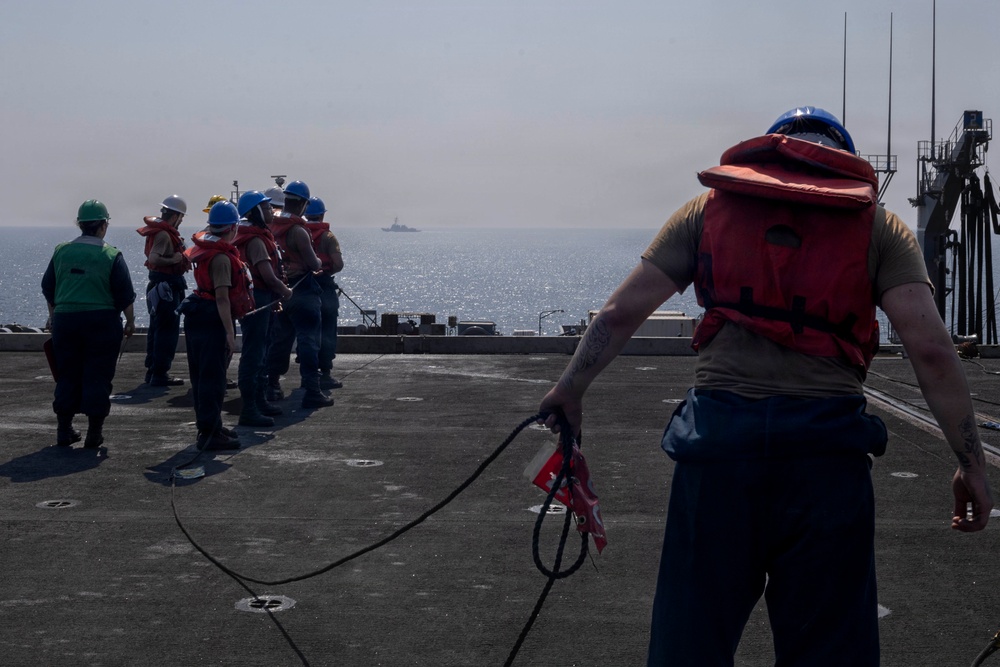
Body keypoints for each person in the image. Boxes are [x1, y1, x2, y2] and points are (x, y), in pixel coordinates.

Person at [537, 106, 994, 666]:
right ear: (842, 158)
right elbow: (930, 349)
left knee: (689, 647)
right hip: (826, 468)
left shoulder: (707, 211)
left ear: (770, 150)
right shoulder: (878, 226)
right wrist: (971, 461)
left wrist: (570, 389)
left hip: (718, 460)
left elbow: (620, 311)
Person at [42, 199, 136, 448]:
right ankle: (94, 433)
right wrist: (130, 321)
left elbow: (48, 287)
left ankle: (64, 430)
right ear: (104, 226)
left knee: (66, 373)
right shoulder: (111, 254)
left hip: (66, 320)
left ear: (79, 224)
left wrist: (53, 315)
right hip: (101, 322)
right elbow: (124, 293)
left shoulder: (61, 251)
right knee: (98, 374)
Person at [181, 201, 254, 450]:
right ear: (232, 228)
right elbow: (222, 298)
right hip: (212, 318)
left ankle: (212, 425)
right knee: (213, 379)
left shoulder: (205, 250)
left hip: (196, 314)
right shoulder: (222, 258)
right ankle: (210, 433)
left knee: (202, 377)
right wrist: (230, 333)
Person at [265, 180, 334, 409]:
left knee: (280, 340)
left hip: (281, 291)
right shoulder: (298, 231)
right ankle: (312, 390)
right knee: (308, 341)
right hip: (303, 291)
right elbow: (313, 262)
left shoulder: (272, 226)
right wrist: (318, 262)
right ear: (304, 204)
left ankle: (272, 385)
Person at [233, 190, 293, 426]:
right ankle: (250, 409)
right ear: (256, 212)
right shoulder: (257, 241)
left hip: (260, 299)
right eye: (267, 208)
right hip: (259, 299)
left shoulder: (257, 235)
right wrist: (285, 290)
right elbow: (267, 276)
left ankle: (259, 401)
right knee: (254, 355)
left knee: (261, 352)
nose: (272, 211)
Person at [136, 195, 190, 386]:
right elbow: (154, 258)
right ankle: (159, 373)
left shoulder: (159, 233)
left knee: (157, 328)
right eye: (181, 217)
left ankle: (153, 370)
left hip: (158, 285)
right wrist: (174, 260)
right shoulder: (164, 235)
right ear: (175, 216)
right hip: (166, 286)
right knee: (167, 330)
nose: (181, 221)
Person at [303, 196, 345, 390]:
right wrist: (327, 272)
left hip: (302, 287)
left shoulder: (297, 233)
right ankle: (325, 373)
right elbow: (338, 264)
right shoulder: (328, 237)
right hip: (324, 287)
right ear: (321, 215)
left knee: (307, 332)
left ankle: (308, 374)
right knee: (328, 330)